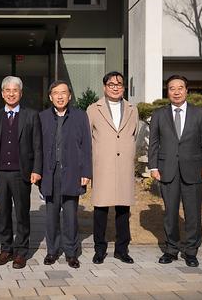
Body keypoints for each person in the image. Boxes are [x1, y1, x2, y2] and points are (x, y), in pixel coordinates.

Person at [149, 75, 202, 267]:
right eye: (171, 88)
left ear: (187, 90)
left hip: (193, 170)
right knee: (170, 214)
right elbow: (154, 143)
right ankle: (171, 250)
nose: (176, 92)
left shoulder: (199, 114)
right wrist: (153, 166)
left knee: (193, 213)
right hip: (167, 170)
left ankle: (191, 251)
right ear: (167, 91)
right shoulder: (159, 114)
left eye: (180, 88)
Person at [0, 76, 42, 269]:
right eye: (7, 91)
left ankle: (21, 252)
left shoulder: (31, 116)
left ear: (21, 93)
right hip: (0, 174)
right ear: (2, 93)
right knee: (3, 213)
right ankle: (6, 249)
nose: (11, 94)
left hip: (22, 173)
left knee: (22, 213)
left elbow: (37, 145)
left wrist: (37, 169)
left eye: (15, 90)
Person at [86, 72, 139, 265]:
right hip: (102, 165)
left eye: (119, 84)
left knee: (123, 210)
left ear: (124, 87)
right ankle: (99, 249)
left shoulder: (133, 109)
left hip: (124, 165)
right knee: (100, 210)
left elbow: (134, 134)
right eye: (111, 84)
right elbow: (87, 138)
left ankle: (122, 249)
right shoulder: (93, 109)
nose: (115, 87)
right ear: (104, 87)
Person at [39, 80, 91, 268]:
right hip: (49, 173)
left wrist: (86, 171)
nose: (60, 96)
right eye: (55, 93)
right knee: (51, 216)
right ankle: (52, 251)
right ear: (50, 96)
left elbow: (86, 145)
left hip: (72, 173)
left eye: (63, 92)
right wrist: (37, 172)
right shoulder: (43, 117)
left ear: (70, 96)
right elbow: (37, 148)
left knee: (70, 216)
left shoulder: (80, 116)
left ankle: (71, 252)